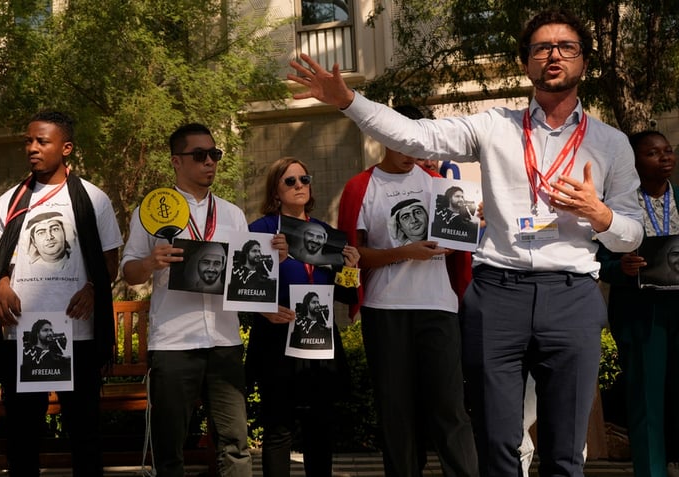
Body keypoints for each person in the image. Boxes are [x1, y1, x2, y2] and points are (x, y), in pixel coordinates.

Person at [291, 8, 644, 477]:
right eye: (541, 47)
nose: (553, 55)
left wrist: (601, 216)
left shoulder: (611, 143)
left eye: (566, 47)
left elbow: (632, 234)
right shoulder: (494, 126)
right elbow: (415, 136)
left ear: (583, 60)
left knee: (563, 448)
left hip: (571, 293)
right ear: (525, 62)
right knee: (496, 441)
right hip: (498, 294)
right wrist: (350, 101)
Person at [0, 111, 122, 477]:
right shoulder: (9, 201)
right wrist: (0, 286)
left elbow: (110, 262)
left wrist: (93, 289)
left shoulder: (93, 199)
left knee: (84, 432)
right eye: (29, 141)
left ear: (66, 148)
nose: (32, 148)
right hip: (23, 334)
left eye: (42, 141)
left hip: (78, 334)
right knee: (23, 435)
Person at [336, 123, 479, 477]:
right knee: (396, 412)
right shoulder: (361, 187)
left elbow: (462, 250)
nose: (411, 155)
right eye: (403, 146)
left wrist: (475, 224)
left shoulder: (440, 184)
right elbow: (353, 255)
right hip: (385, 309)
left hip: (438, 306)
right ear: (385, 140)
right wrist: (403, 253)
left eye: (417, 147)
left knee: (450, 409)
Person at [122, 123, 252, 477]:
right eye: (200, 155)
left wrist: (274, 257)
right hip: (175, 343)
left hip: (225, 340)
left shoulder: (232, 214)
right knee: (170, 449)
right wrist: (151, 262)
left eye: (215, 154)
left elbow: (248, 275)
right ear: (176, 162)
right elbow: (129, 272)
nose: (210, 162)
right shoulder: (151, 212)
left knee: (235, 445)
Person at [247, 156, 359, 477]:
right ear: (276, 191)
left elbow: (346, 295)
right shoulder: (262, 229)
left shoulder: (327, 233)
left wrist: (350, 270)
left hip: (320, 339)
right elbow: (244, 287)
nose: (300, 186)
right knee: (278, 429)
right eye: (290, 181)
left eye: (304, 179)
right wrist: (272, 260)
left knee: (320, 429)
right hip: (278, 337)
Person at [597, 130, 679, 477]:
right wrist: (621, 268)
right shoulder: (617, 206)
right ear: (633, 161)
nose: (664, 157)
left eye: (668, 150)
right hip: (641, 312)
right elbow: (597, 260)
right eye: (652, 153)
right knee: (646, 400)